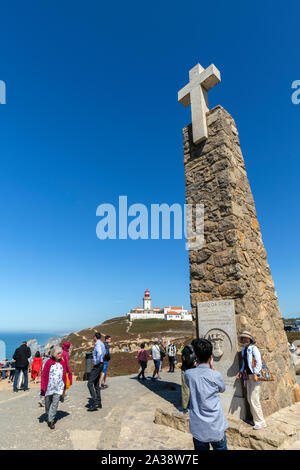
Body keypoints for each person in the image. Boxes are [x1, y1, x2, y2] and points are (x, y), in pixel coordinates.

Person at [185, 338, 228, 451]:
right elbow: (222, 389)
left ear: (196, 357)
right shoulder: (215, 375)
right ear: (210, 357)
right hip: (216, 425)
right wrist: (212, 369)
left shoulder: (188, 374)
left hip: (198, 427)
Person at [236, 331, 267, 430]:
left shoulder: (254, 348)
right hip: (247, 376)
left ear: (250, 339)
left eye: (246, 338)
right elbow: (245, 364)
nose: (245, 339)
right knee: (250, 398)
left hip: (254, 376)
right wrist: (241, 372)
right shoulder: (244, 349)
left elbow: (258, 361)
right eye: (243, 338)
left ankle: (261, 422)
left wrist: (255, 373)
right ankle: (255, 419)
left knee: (254, 398)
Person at [40, 346, 67, 430]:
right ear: (54, 354)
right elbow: (44, 375)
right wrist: (43, 387)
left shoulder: (62, 362)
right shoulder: (48, 362)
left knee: (55, 404)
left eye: (60, 353)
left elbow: (65, 372)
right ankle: (48, 414)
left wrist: (65, 385)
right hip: (49, 388)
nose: (60, 355)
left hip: (58, 387)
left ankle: (51, 420)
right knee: (47, 403)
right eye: (58, 353)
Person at [87, 332, 106, 411]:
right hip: (101, 364)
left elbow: (100, 353)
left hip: (97, 365)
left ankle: (95, 403)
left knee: (90, 383)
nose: (93, 338)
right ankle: (99, 402)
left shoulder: (98, 344)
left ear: (95, 337)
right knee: (96, 383)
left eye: (93, 337)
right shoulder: (102, 343)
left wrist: (96, 362)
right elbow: (104, 352)